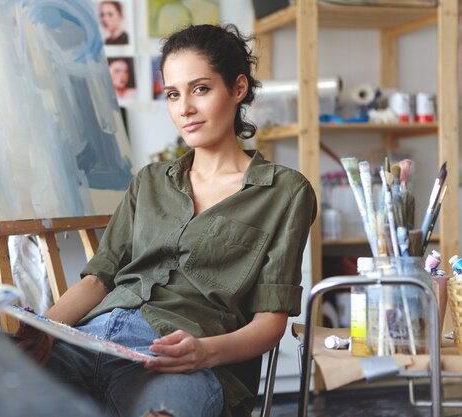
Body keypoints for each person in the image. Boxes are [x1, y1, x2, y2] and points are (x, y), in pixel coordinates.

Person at [16, 24, 317, 417]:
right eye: (174, 94)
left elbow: (270, 322)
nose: (184, 108)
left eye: (201, 89)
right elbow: (98, 279)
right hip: (90, 340)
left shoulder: (285, 191)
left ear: (238, 88)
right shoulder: (149, 181)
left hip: (181, 359)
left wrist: (204, 352)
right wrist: (42, 331)